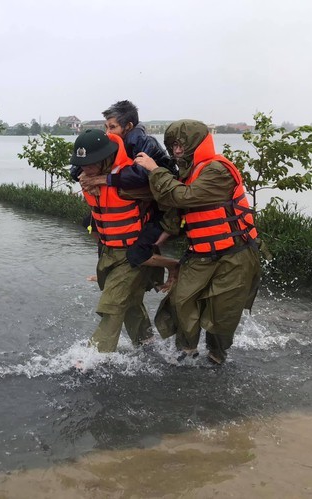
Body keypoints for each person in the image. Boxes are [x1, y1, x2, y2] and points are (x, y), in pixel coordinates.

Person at [134, 119, 261, 365]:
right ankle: (186, 351)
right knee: (180, 300)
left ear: (196, 141)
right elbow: (176, 211)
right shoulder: (186, 172)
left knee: (223, 311)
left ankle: (217, 356)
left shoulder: (216, 170)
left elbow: (184, 197)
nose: (177, 150)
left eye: (181, 144)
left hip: (235, 254)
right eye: (172, 145)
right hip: (200, 253)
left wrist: (155, 170)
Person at [72, 100, 180, 290]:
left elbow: (140, 176)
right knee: (93, 224)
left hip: (160, 204)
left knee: (136, 253)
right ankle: (107, 269)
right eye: (106, 127)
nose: (108, 132)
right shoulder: (112, 142)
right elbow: (76, 169)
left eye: (112, 127)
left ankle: (173, 266)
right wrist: (83, 174)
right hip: (137, 199)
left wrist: (102, 179)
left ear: (128, 126)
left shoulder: (143, 143)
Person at [71, 129, 160, 352]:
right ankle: (146, 342)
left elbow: (159, 195)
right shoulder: (86, 176)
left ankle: (94, 356)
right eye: (83, 164)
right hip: (108, 251)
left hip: (133, 253)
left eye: (91, 163)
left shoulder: (130, 178)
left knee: (113, 302)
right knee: (128, 300)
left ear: (105, 159)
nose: (86, 168)